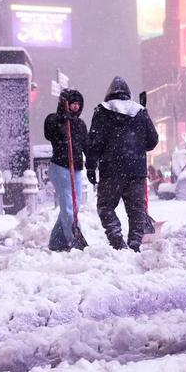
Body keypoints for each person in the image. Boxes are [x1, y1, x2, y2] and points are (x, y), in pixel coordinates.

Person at [86, 76, 159, 251]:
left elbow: (94, 143)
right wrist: (137, 143)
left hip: (111, 171)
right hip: (136, 172)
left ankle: (117, 242)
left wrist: (91, 166)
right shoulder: (140, 111)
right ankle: (134, 245)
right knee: (136, 212)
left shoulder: (102, 112)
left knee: (105, 207)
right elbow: (153, 141)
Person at [42, 88, 87, 252]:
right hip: (60, 168)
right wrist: (62, 120)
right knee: (68, 206)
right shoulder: (53, 119)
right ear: (64, 104)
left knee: (74, 207)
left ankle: (56, 241)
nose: (75, 107)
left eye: (78, 104)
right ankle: (74, 240)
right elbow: (49, 133)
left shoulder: (80, 124)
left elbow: (86, 146)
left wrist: (92, 164)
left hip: (76, 169)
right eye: (72, 103)